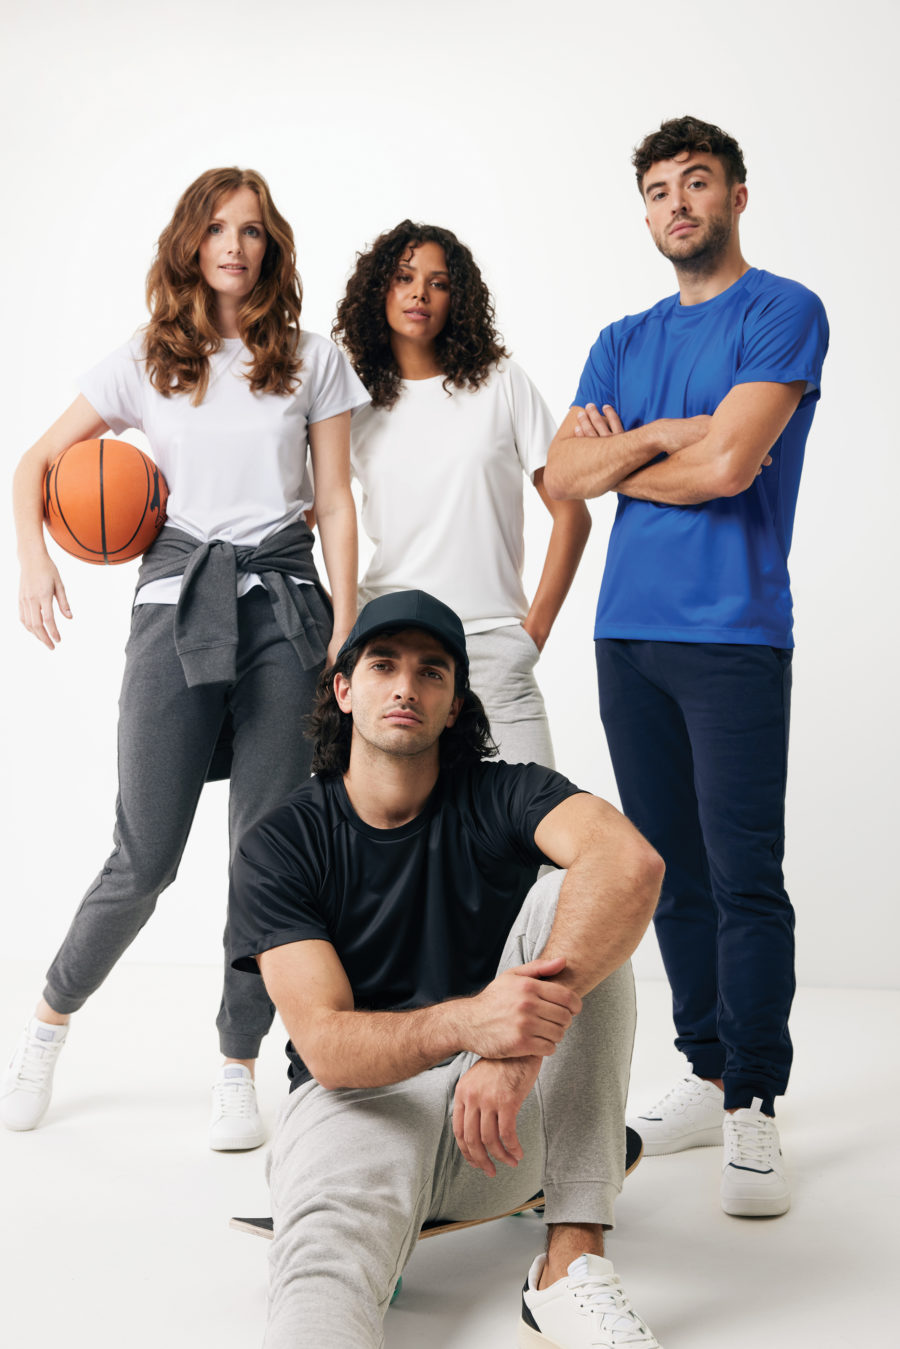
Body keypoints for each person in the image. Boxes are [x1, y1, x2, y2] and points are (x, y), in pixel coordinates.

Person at [0, 167, 368, 1149]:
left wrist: (348, 621)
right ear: (191, 243)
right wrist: (33, 563)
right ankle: (47, 1021)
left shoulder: (315, 359)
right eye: (218, 228)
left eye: (253, 230)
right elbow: (32, 462)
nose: (236, 245)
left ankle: (234, 1063)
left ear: (272, 247)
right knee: (145, 854)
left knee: (265, 855)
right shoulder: (146, 358)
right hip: (174, 610)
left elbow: (334, 500)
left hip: (287, 614)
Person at [228, 589, 666, 1349]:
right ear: (343, 688)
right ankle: (376, 1230)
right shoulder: (281, 842)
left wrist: (512, 1049)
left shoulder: (503, 792)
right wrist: (471, 1021)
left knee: (580, 895)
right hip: (355, 1111)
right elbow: (328, 1046)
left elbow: (632, 863)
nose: (406, 686)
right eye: (384, 665)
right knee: (319, 1299)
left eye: (432, 672)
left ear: (456, 703)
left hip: (494, 1116)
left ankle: (567, 1266)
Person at [544, 116, 829, 1217]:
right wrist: (678, 438)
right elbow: (563, 473)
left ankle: (756, 1095)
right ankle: (706, 1066)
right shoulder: (622, 335)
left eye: (695, 183)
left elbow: (732, 465)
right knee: (671, 871)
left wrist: (639, 451)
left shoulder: (785, 310)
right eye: (659, 189)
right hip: (628, 636)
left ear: (736, 196)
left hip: (737, 636)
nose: (677, 203)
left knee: (746, 872)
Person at [333, 220, 591, 768]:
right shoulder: (351, 405)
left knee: (535, 835)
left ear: (458, 298)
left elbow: (571, 513)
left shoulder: (501, 383)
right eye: (403, 277)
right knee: (398, 841)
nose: (419, 293)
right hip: (390, 644)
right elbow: (313, 514)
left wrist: (532, 634)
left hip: (493, 643)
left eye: (439, 282)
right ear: (378, 290)